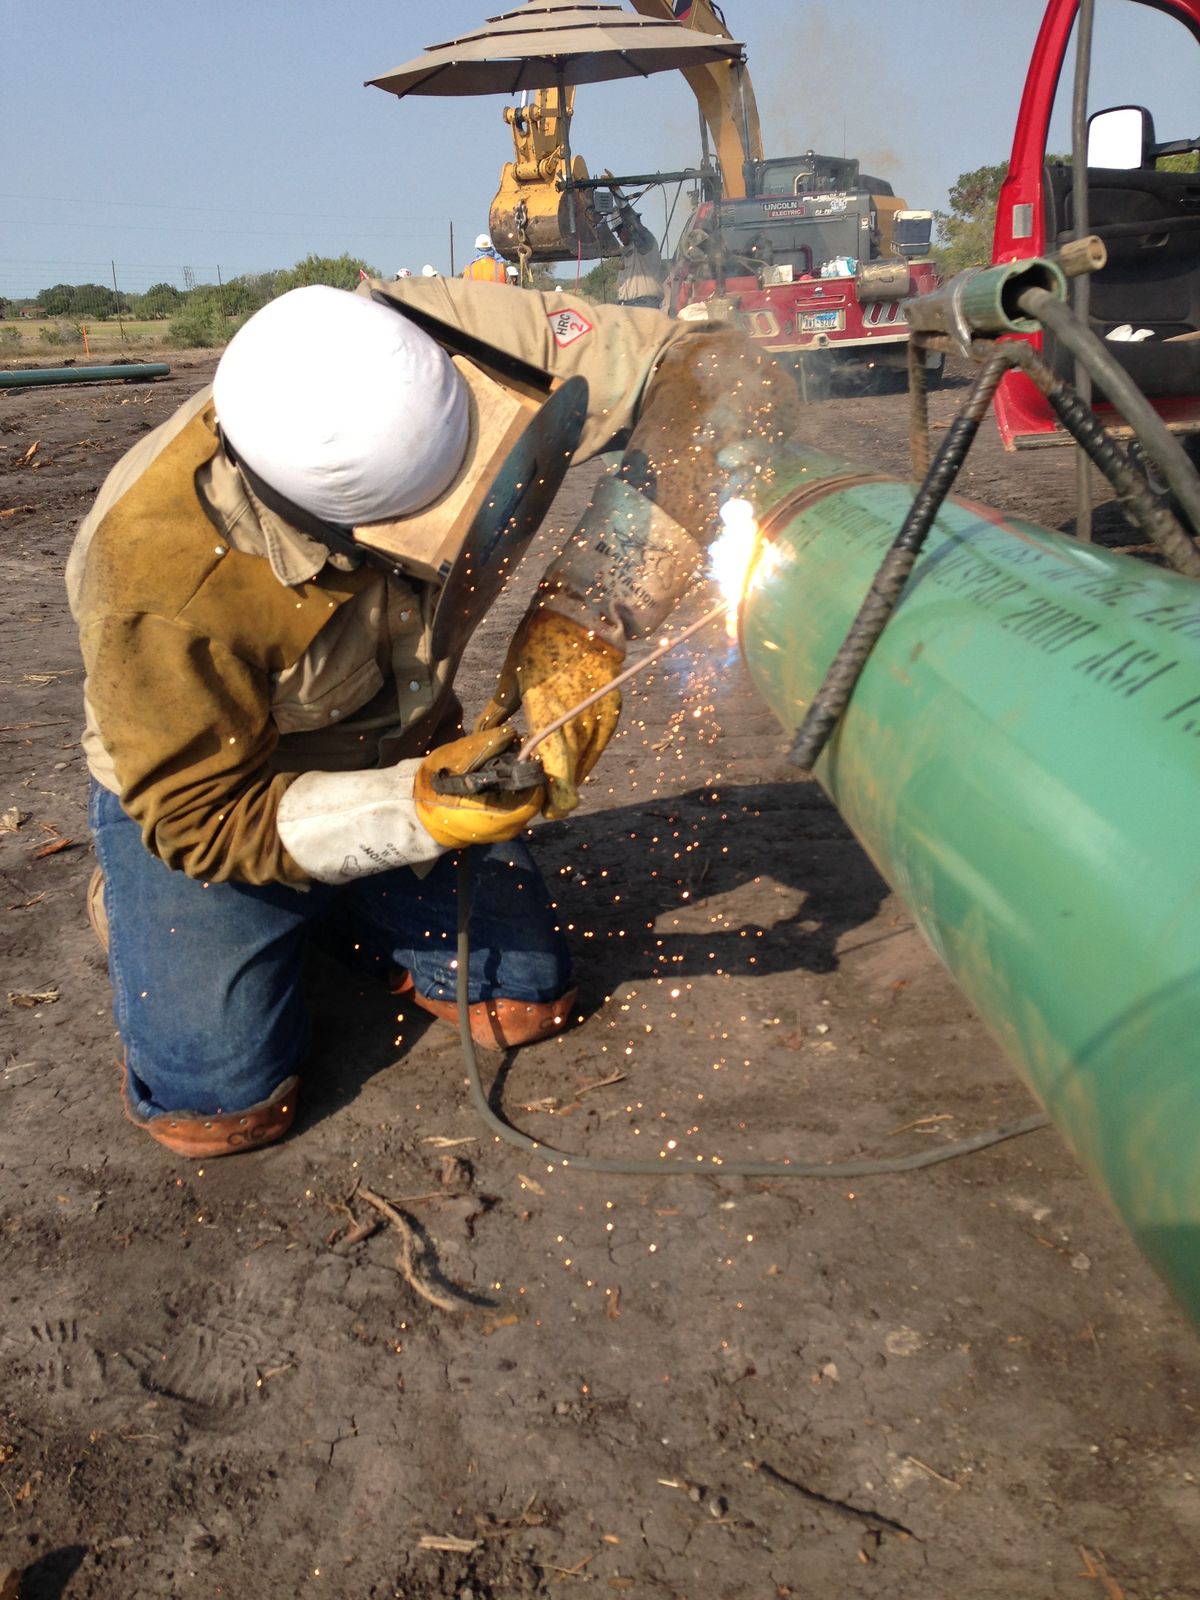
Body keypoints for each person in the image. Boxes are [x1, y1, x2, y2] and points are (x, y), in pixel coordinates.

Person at [67, 277, 798, 1158]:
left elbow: (720, 368)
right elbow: (202, 816)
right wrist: (414, 812)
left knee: (519, 1001)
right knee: (218, 1111)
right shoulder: (153, 582)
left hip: (399, 745)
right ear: (322, 524)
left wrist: (590, 614)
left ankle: (332, 902)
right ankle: (142, 899)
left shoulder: (431, 336)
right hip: (230, 802)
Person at [613, 201, 666, 309]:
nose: (618, 236)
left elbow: (638, 229)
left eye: (619, 231)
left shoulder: (645, 246)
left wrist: (617, 193)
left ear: (627, 227)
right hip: (628, 307)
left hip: (645, 305)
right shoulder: (625, 253)